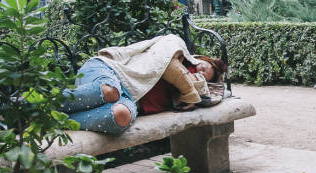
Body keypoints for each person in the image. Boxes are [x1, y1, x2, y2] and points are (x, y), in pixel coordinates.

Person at [61, 34, 226, 134]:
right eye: (203, 67)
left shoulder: (191, 86)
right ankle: (42, 104)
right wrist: (191, 94)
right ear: (202, 58)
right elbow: (170, 67)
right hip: (110, 71)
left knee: (120, 116)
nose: (200, 72)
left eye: (205, 76)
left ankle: (56, 119)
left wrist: (196, 89)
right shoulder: (175, 45)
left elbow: (213, 95)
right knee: (110, 92)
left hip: (130, 98)